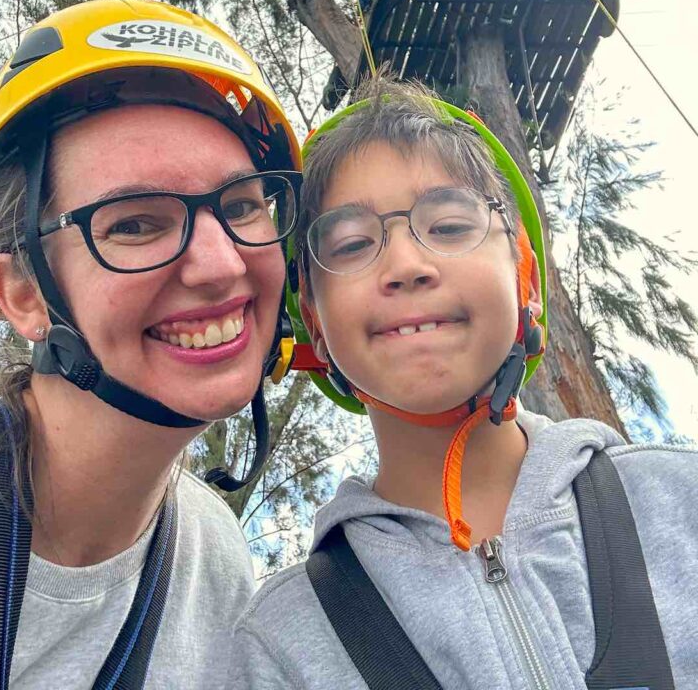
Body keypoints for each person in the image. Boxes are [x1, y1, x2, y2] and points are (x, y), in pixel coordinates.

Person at [227, 74, 698, 688]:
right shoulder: (283, 642)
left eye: (449, 226)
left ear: (525, 275)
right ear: (313, 323)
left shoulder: (676, 501)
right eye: (349, 244)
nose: (405, 265)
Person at [0, 0, 303, 688]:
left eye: (245, 205)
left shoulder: (215, 561)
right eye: (135, 225)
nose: (224, 264)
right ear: (24, 295)